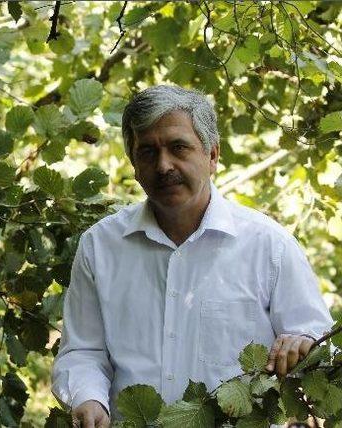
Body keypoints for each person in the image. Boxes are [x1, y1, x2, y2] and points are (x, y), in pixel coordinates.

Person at [51, 85, 334, 427]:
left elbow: (319, 347)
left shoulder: (269, 246)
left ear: (212, 155)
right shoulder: (101, 246)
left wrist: (302, 344)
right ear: (134, 165)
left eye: (178, 147)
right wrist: (89, 398)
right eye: (148, 152)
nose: (163, 165)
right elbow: (83, 351)